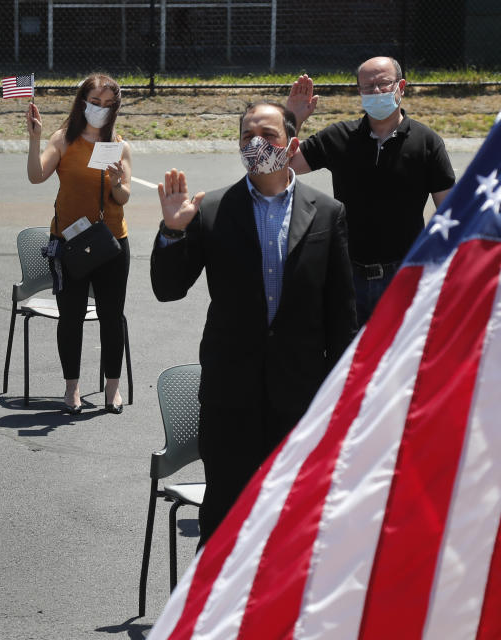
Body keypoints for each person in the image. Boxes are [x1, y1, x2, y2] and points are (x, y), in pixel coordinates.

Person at [151, 102, 357, 547]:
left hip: (300, 399)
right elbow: (168, 289)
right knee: (225, 520)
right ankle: (212, 615)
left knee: (295, 522)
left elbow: (342, 315)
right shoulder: (211, 210)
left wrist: (341, 398)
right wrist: (172, 231)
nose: (256, 144)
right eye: (247, 136)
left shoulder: (326, 212)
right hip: (231, 399)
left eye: (267, 134)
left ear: (292, 145)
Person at [286, 56, 456, 326]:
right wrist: (292, 120)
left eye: (384, 84)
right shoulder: (339, 137)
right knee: (346, 357)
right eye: (367, 87)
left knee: (397, 362)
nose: (376, 92)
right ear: (359, 92)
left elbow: (451, 213)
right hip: (346, 275)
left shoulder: (427, 143)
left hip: (404, 277)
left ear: (401, 86)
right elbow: (280, 168)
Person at [26, 73, 132, 414]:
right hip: (69, 242)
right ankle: (71, 389)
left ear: (114, 108)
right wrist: (35, 139)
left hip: (110, 242)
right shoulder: (63, 139)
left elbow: (123, 196)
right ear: (82, 103)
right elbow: (36, 176)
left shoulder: (116, 144)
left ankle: (112, 389)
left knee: (111, 316)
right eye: (94, 102)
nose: (100, 109)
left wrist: (117, 181)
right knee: (70, 316)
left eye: (107, 104)